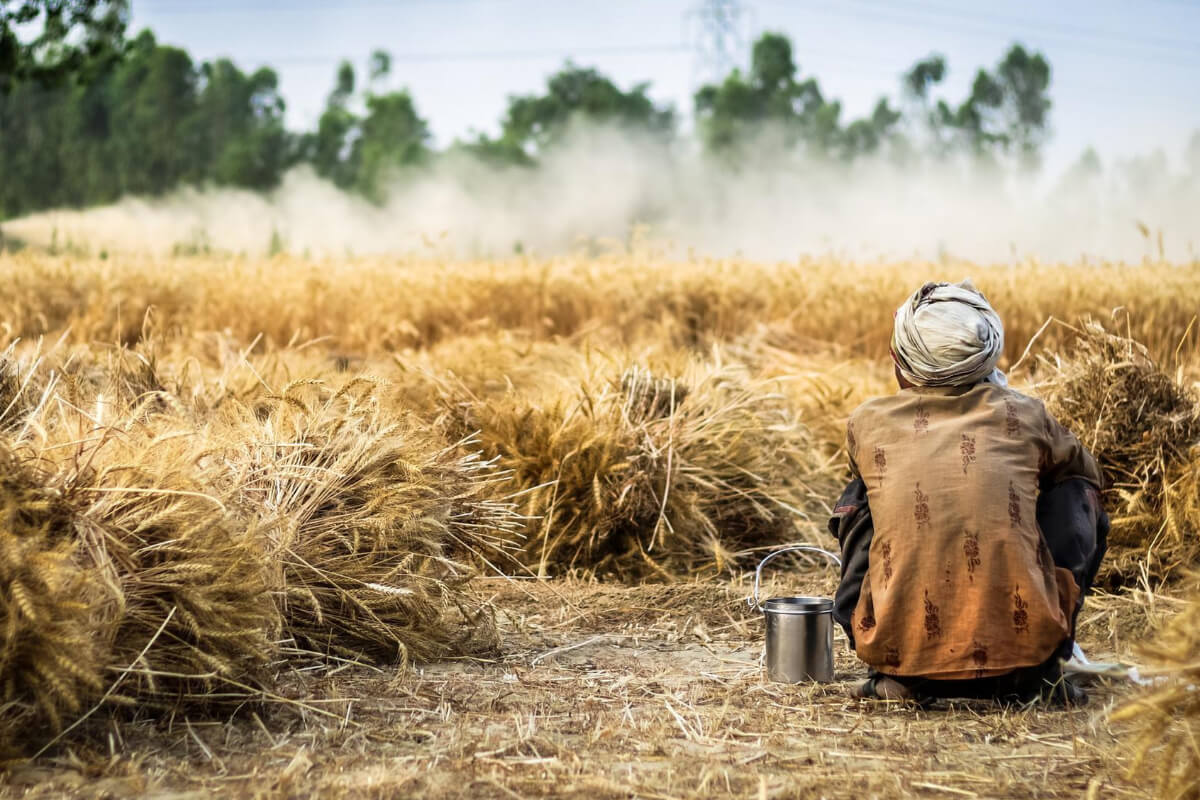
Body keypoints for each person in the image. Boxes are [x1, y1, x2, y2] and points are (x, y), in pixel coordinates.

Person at [828, 280, 1108, 705]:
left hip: (899, 656)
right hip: (1022, 665)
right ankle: (1044, 668)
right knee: (1074, 490)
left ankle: (894, 668)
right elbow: (1089, 475)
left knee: (862, 494)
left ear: (898, 360)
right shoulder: (1027, 415)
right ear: (987, 358)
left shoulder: (868, 422)